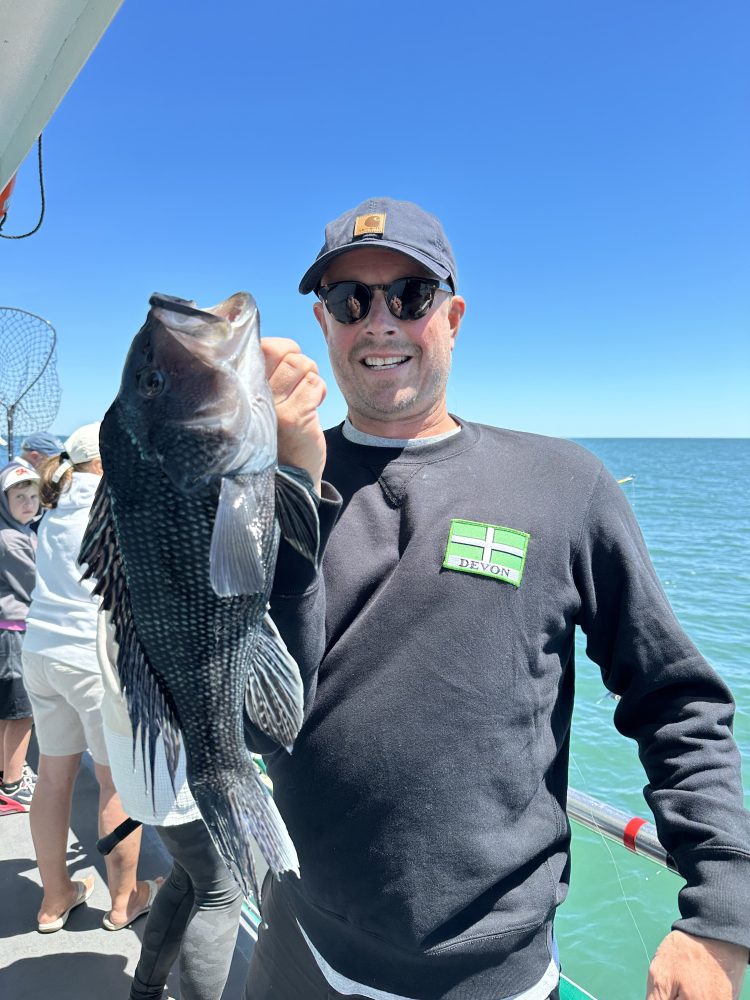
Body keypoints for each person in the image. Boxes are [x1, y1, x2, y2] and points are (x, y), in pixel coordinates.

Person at [242, 198, 750, 1000]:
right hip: (298, 936)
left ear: (453, 314)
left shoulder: (564, 484)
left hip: (488, 976)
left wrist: (722, 913)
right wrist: (284, 484)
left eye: (408, 295)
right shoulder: (269, 484)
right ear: (323, 321)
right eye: (351, 301)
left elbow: (673, 699)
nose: (380, 322)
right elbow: (247, 712)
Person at [22, 422, 158, 933]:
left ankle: (54, 898)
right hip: (93, 661)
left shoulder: (51, 509)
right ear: (105, 462)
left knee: (54, 778)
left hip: (40, 652)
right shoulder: (120, 506)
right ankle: (125, 901)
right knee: (115, 783)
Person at [96, 610, 244, 999]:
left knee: (186, 875)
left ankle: (144, 993)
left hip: (135, 736)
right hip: (180, 749)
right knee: (220, 891)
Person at [0, 463, 41, 812]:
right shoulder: (11, 538)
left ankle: (6, 773)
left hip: (10, 632)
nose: (28, 503)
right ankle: (12, 787)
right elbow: (34, 584)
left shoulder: (18, 530)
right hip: (13, 635)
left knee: (8, 711)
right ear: (4, 500)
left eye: (33, 496)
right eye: (18, 496)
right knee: (20, 712)